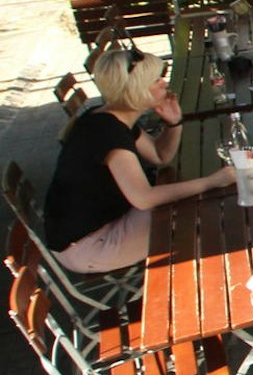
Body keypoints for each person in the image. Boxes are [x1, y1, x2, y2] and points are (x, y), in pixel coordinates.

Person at [43, 47, 235, 274]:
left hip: (107, 223)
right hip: (90, 245)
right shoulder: (107, 132)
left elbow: (160, 155)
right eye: (156, 80)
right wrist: (212, 181)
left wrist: (174, 123)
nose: (164, 83)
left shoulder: (110, 115)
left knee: (194, 205)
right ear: (137, 89)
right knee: (198, 218)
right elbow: (144, 198)